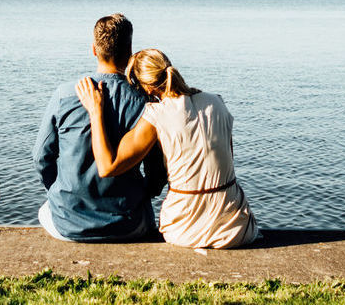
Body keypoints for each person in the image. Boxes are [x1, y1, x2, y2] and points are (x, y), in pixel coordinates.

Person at [74, 48, 257, 249]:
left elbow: (107, 167)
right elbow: (226, 160)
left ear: (147, 88)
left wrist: (95, 111)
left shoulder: (156, 115)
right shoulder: (217, 102)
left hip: (184, 230)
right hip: (237, 229)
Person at [33, 13, 166, 242]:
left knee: (44, 211)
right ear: (130, 50)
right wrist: (142, 195)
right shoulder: (146, 103)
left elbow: (41, 158)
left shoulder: (65, 94)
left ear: (94, 49)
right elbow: (157, 173)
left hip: (68, 222)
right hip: (127, 224)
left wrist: (59, 192)